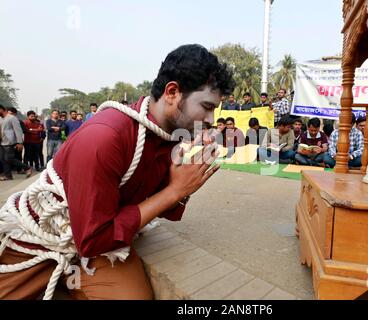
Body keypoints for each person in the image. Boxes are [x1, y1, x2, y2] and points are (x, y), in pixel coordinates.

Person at [0, 44, 235, 300]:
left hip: (94, 249)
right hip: (40, 240)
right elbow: (93, 238)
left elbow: (165, 209)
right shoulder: (105, 137)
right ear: (172, 92)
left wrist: (185, 183)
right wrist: (175, 190)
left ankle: (70, 281)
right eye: (207, 106)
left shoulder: (168, 139)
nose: (211, 118)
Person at [0, 105, 32, 181]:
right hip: (2, 141)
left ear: (1, 109)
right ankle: (8, 176)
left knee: (9, 159)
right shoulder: (0, 119)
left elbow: (18, 130)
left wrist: (19, 142)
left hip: (10, 142)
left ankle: (27, 167)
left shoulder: (12, 118)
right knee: (3, 159)